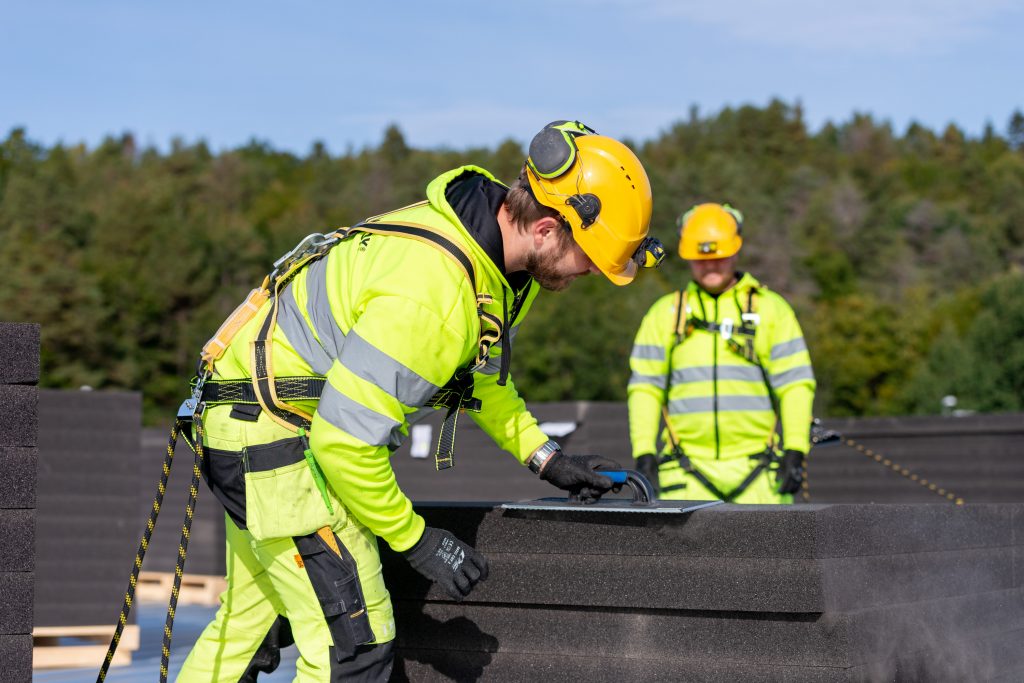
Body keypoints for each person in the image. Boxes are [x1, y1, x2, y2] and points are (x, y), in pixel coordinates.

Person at [177, 120, 663, 681]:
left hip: (244, 423)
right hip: (277, 441)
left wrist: (547, 459)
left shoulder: (489, 267)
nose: (591, 275)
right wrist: (417, 540)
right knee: (352, 647)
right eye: (591, 260)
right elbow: (346, 444)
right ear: (550, 228)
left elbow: (478, 378)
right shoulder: (435, 291)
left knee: (250, 618)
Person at [627, 203, 815, 504]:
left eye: (719, 257)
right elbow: (645, 390)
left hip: (759, 478)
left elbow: (795, 384)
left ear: (736, 251)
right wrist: (644, 453)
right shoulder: (665, 315)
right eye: (701, 259)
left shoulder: (771, 310)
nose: (710, 265)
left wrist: (795, 448)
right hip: (684, 479)